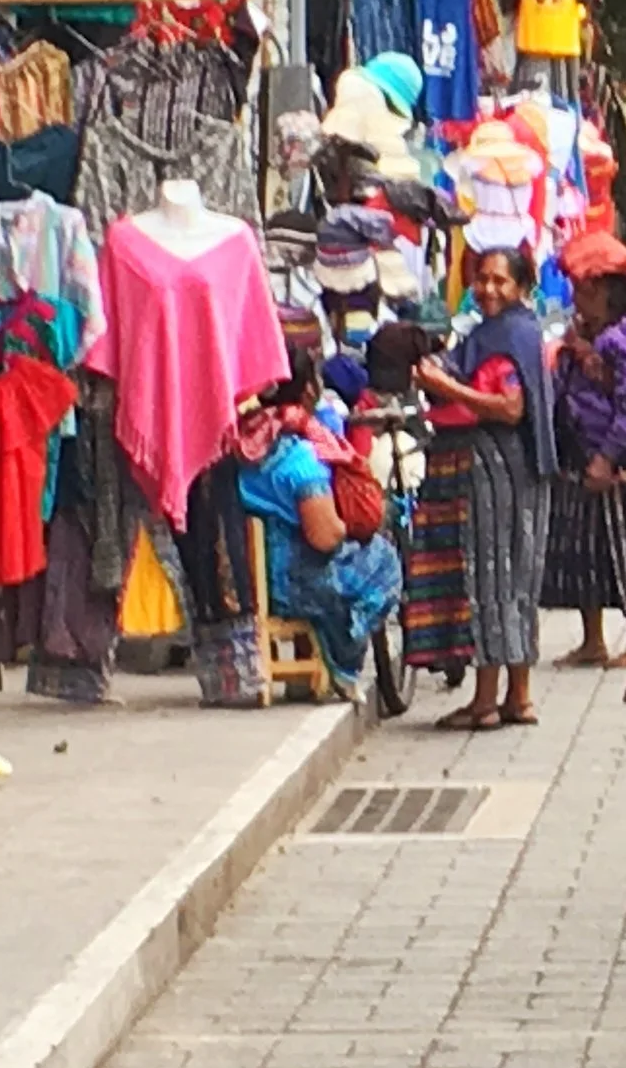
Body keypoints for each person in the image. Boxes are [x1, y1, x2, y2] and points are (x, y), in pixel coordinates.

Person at [413, 246, 555, 728]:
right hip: (524, 469)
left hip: (497, 466)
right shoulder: (518, 330)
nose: (488, 289)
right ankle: (520, 697)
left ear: (521, 287)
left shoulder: (507, 334)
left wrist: (447, 388)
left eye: (500, 280)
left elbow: (511, 407)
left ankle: (486, 702)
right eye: (482, 279)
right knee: (519, 580)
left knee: (492, 575)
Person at [233, 351, 404, 695]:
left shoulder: (243, 442)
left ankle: (316, 661)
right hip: (292, 586)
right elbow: (326, 537)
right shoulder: (298, 459)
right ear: (309, 390)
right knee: (384, 560)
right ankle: (343, 658)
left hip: (244, 581)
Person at [545, 231, 626, 670]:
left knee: (624, 545)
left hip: (615, 459)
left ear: (603, 292)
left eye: (583, 290)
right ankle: (593, 640)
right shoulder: (586, 331)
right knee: (583, 550)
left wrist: (606, 456)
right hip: (578, 452)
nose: (576, 298)